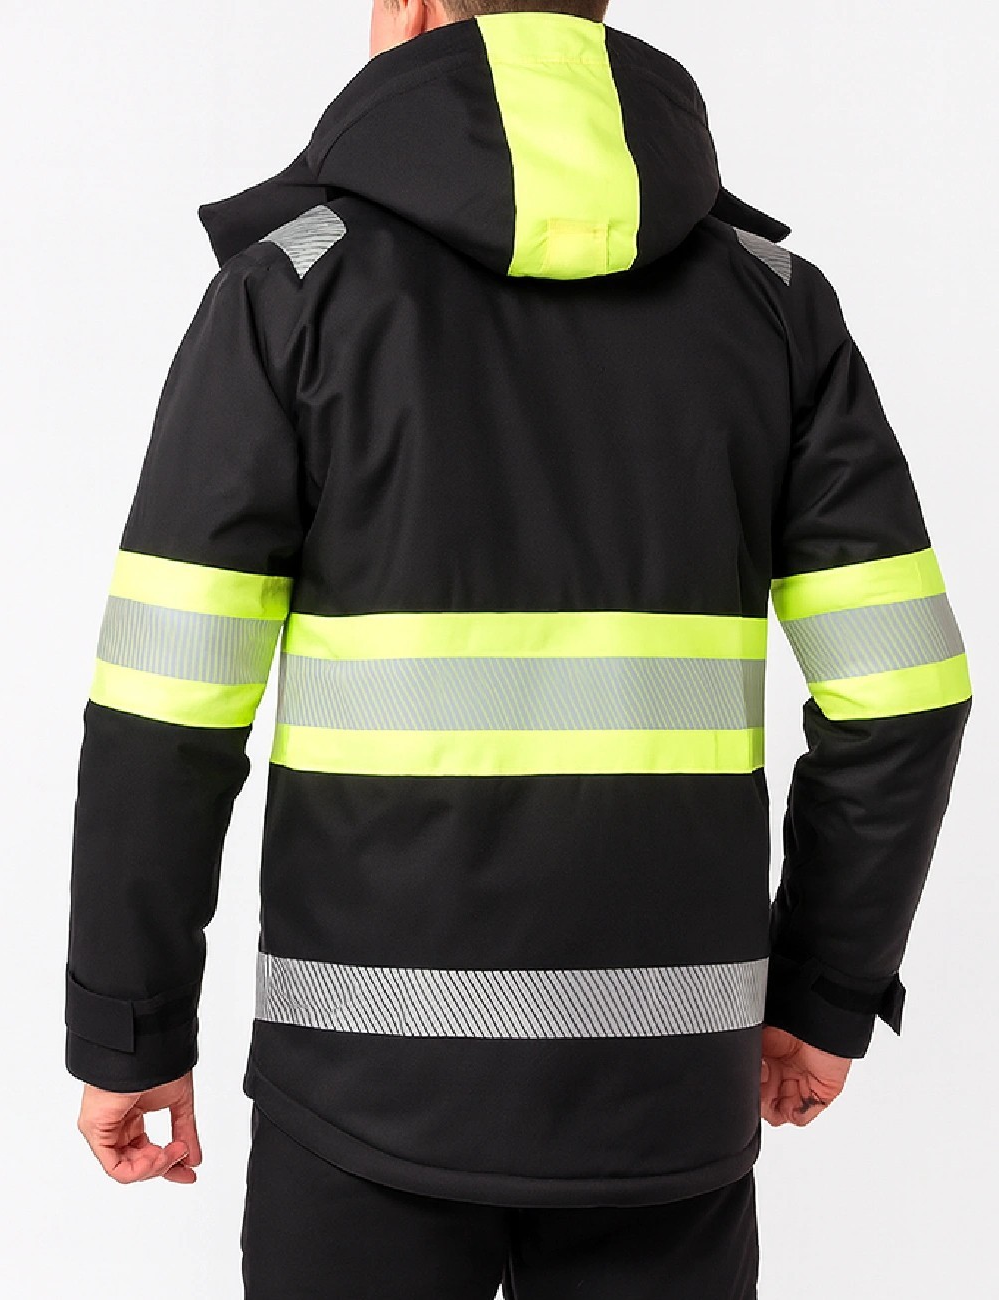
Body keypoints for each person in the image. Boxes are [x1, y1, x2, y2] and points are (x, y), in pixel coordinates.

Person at [65, 2, 972, 1296]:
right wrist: (823, 994)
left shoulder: (296, 288)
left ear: (411, 10)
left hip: (361, 1090)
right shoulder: (773, 306)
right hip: (669, 1093)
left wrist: (131, 1026)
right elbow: (904, 693)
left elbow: (166, 708)